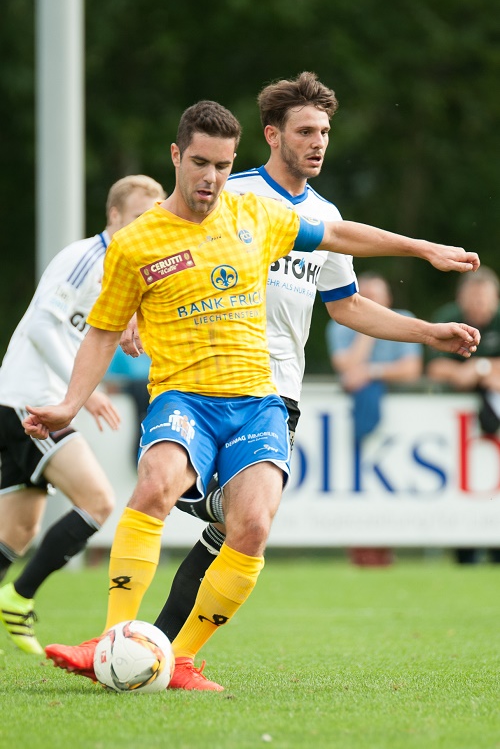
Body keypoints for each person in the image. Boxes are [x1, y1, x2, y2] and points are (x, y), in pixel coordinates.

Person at [24, 99, 480, 692]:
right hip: (185, 394)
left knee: (250, 525)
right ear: (178, 157)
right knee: (158, 485)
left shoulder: (264, 214)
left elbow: (341, 259)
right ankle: (114, 636)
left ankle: (178, 656)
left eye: (221, 165)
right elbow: (107, 325)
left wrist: (422, 261)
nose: (211, 177)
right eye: (200, 163)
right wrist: (73, 397)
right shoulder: (161, 231)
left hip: (264, 397)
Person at [147, 74, 476, 645]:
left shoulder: (325, 213)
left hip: (279, 391)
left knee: (244, 526)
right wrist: (134, 314)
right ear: (272, 135)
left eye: (324, 131)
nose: (318, 142)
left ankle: (163, 650)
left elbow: (347, 307)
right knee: (185, 497)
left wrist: (428, 333)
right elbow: (157, 242)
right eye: (304, 131)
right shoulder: (231, 192)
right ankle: (140, 632)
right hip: (209, 377)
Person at [0, 174, 165, 655]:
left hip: (34, 401)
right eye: (137, 217)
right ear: (114, 215)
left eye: (152, 219)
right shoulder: (86, 257)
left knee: (18, 530)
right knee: (98, 500)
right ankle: (18, 597)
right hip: (31, 402)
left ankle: (14, 597)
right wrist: (83, 393)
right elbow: (42, 327)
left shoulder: (127, 272)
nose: (144, 227)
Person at [326, 271, 423, 566]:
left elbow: (411, 369)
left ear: (389, 300)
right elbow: (345, 367)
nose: (370, 303)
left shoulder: (405, 319)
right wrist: (368, 328)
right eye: (364, 298)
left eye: (375, 298)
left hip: (406, 431)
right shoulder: (339, 324)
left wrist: (371, 372)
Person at [426, 266, 500, 564]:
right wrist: (473, 372)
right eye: (473, 299)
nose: (478, 305)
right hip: (456, 430)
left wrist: (480, 369)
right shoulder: (448, 317)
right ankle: (465, 552)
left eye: (484, 299)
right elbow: (434, 367)